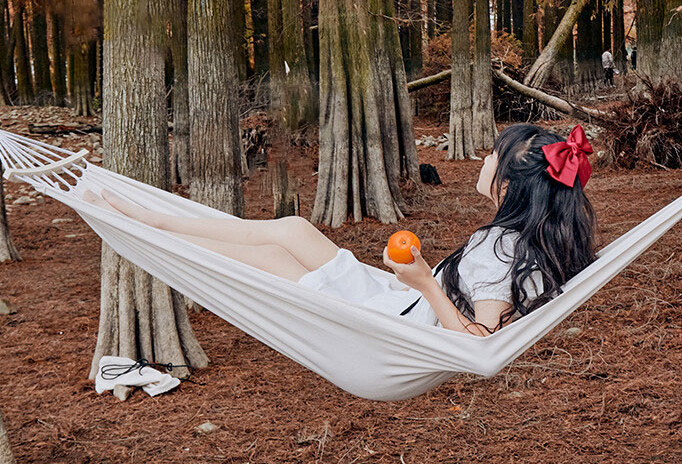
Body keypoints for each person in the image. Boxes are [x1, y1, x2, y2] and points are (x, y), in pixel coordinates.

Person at [82, 125, 597, 337]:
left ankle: (153, 232)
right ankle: (154, 220)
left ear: (508, 186)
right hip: (390, 301)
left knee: (271, 258)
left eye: (494, 156)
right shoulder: (518, 244)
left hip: (387, 321)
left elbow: (479, 342)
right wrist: (419, 284)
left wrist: (423, 283)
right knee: (292, 227)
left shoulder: (501, 247)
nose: (485, 157)